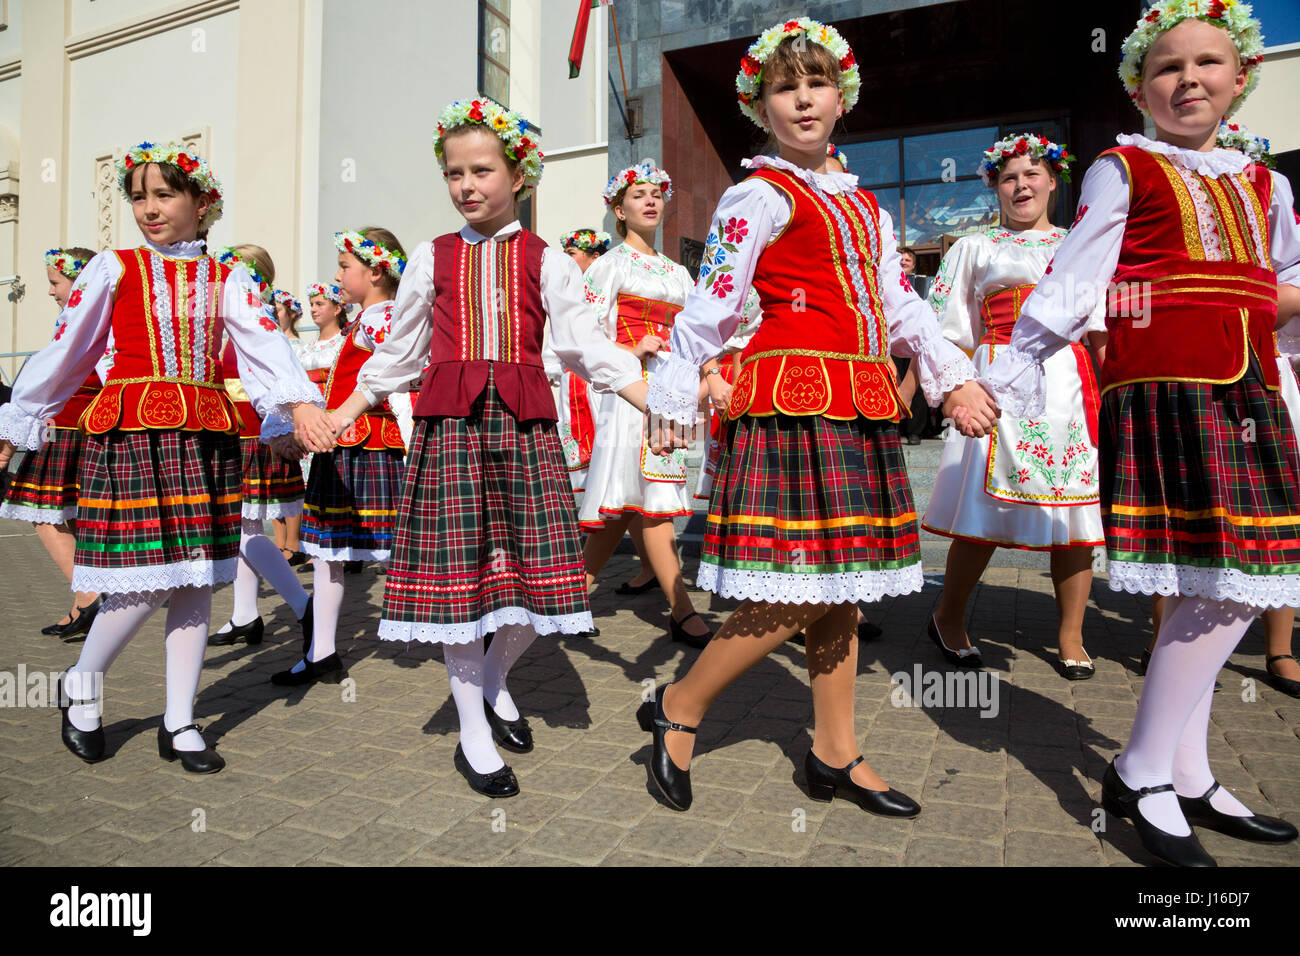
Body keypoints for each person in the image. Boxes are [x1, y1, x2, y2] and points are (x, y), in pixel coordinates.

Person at [641, 18, 997, 814]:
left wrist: (951, 379)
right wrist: (674, 390)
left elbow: (899, 302)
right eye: (783, 86)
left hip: (861, 403)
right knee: (805, 583)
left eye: (816, 83)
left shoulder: (866, 207)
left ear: (843, 100)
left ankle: (835, 750)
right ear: (760, 104)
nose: (802, 99)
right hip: (794, 404)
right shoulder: (756, 194)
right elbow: (714, 301)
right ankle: (680, 707)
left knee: (847, 587)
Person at [973, 3, 1300, 865]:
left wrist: (1266, 325)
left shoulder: (1267, 181)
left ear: (1240, 78)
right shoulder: (1123, 168)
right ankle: (1147, 767)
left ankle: (1180, 769)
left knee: (1237, 576)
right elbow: (1075, 282)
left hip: (1251, 385)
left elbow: (1287, 275)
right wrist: (999, 379)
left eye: (1207, 63)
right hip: (1166, 391)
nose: (1188, 78)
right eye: (1167, 66)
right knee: (1223, 577)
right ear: (1138, 85)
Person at [329, 96, 648, 797]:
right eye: (454, 173)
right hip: (451, 436)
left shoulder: (547, 260)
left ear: (519, 173)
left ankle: (497, 676)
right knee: (458, 585)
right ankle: (472, 728)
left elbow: (586, 346)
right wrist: (343, 411)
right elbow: (399, 353)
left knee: (548, 578)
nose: (467, 185)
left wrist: (657, 401)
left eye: (481, 169)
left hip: (526, 435)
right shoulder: (431, 257)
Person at [0, 141, 332, 772]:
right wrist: (19, 420)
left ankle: (179, 720)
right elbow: (69, 349)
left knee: (196, 582)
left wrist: (294, 406)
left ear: (201, 202)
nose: (148, 209)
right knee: (140, 582)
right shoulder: (114, 268)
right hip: (131, 438)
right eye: (138, 197)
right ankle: (83, 683)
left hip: (203, 440)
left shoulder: (226, 277)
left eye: (164, 194)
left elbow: (262, 348)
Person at [922, 133, 1106, 680]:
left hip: (1070, 384)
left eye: (1032, 174)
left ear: (1054, 179)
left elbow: (1099, 329)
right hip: (998, 381)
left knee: (1075, 509)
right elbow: (947, 330)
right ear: (995, 186)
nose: (1021, 185)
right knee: (985, 510)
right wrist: (963, 389)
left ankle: (1071, 634)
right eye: (1009, 177)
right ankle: (948, 617)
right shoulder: (974, 248)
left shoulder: (1083, 246)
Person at [578, 162, 712, 647]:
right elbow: (584, 336)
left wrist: (703, 377)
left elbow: (698, 334)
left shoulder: (678, 271)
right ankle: (682, 610)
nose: (651, 201)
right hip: (629, 391)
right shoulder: (609, 264)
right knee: (651, 500)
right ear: (619, 208)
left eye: (657, 193)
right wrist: (630, 351)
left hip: (673, 391)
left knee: (628, 505)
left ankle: (569, 596)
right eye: (638, 194)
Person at [270, 227, 408, 684]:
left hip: (367, 445)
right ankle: (322, 651)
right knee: (329, 552)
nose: (338, 273)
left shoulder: (380, 319)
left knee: (399, 547)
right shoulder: (363, 321)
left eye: (346, 266)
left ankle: (465, 623)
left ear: (375, 271)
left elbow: (409, 368)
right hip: (346, 444)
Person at [206, 245, 314, 650]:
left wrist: (282, 425)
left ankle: (304, 606)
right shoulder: (235, 319)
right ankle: (246, 613)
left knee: (242, 528)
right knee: (244, 527)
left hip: (252, 432)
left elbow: (271, 375)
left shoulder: (255, 320)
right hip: (234, 431)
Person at [0, 247, 106, 638]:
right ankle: (82, 602)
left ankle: (91, 596)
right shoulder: (100, 320)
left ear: (77, 283)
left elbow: (49, 380)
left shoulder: (80, 321)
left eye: (54, 282)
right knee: (72, 517)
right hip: (84, 429)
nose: (50, 291)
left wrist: (9, 440)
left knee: (44, 514)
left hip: (66, 428)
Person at [551, 228, 610, 492]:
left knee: (604, 430)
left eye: (571, 254)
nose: (566, 259)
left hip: (600, 374)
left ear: (594, 257)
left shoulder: (606, 284)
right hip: (572, 375)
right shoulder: (565, 288)